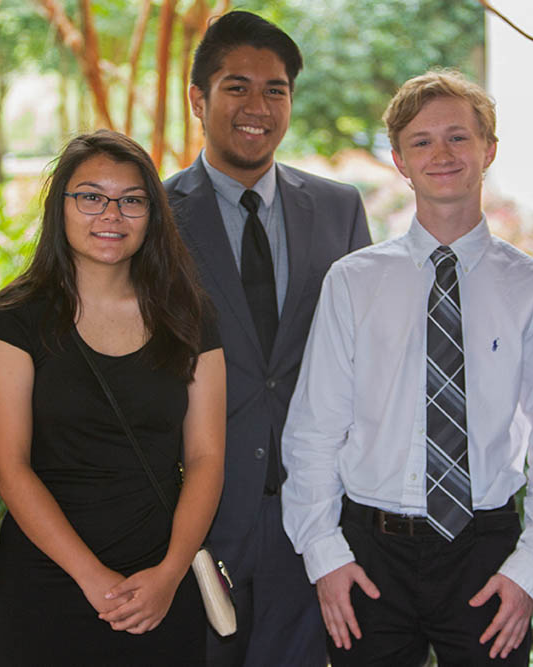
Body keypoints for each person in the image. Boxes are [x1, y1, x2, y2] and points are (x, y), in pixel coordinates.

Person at [281, 69, 533, 666]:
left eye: (458, 136)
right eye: (421, 141)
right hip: (369, 557)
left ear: (489, 150)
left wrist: (529, 570)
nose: (441, 153)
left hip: (486, 554)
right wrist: (324, 554)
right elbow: (315, 429)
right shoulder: (352, 283)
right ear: (398, 159)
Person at [163, 10, 372, 666]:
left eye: (275, 89)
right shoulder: (154, 215)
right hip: (197, 518)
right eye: (237, 87)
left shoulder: (339, 209)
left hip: (313, 518)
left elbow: (365, 355)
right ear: (198, 99)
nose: (258, 106)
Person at [0, 130, 225, 665]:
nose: (111, 214)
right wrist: (93, 579)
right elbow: (8, 466)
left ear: (152, 214)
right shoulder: (17, 317)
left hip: (161, 576)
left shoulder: (188, 316)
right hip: (49, 582)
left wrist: (170, 573)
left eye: (132, 200)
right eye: (91, 196)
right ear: (60, 206)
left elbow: (206, 458)